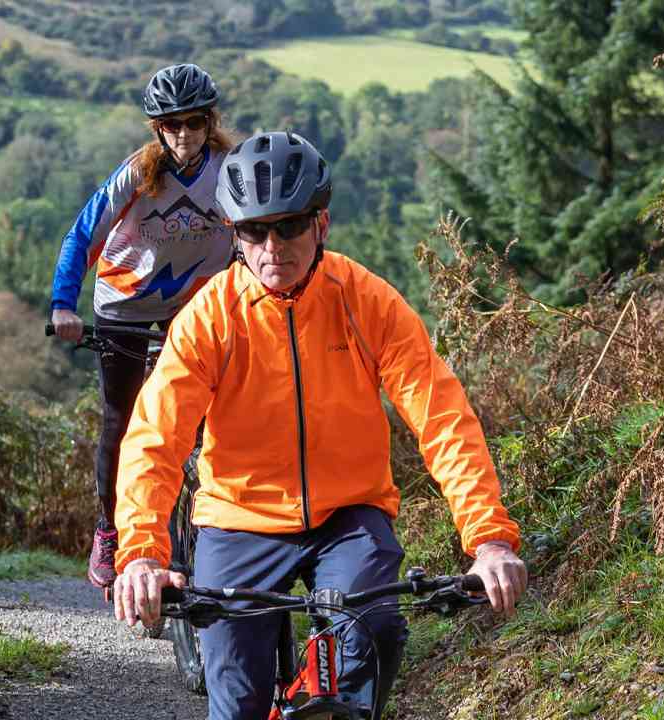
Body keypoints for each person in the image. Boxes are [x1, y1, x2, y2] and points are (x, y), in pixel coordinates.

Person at [109, 131, 529, 720]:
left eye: (289, 226)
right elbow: (156, 437)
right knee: (237, 699)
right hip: (238, 519)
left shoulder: (367, 302)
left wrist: (488, 539)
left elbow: (441, 417)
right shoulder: (209, 319)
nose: (271, 246)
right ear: (235, 234)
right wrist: (144, 555)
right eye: (253, 230)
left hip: (348, 515)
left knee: (376, 632)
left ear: (321, 224)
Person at [50, 63, 239, 590]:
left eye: (194, 123)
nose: (184, 135)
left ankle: (218, 528)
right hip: (126, 306)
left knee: (204, 415)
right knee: (123, 419)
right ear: (158, 129)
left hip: (193, 308)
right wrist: (64, 305)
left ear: (210, 122)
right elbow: (81, 235)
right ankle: (111, 529)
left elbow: (254, 240)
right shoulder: (138, 174)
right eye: (172, 124)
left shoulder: (230, 171)